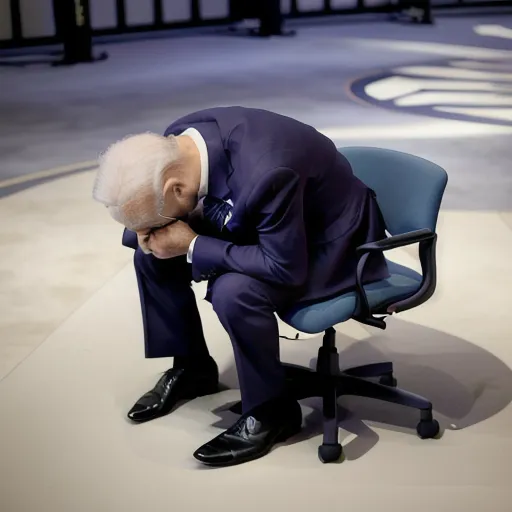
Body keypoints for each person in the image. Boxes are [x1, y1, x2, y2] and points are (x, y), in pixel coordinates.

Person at [92, 106, 388, 467]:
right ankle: (193, 368)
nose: (147, 232)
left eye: (156, 221)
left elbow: (284, 268)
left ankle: (270, 410)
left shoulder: (267, 170)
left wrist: (192, 245)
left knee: (235, 290)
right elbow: (210, 210)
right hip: (271, 218)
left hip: (326, 242)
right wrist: (151, 236)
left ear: (177, 187)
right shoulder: (177, 141)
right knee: (151, 256)